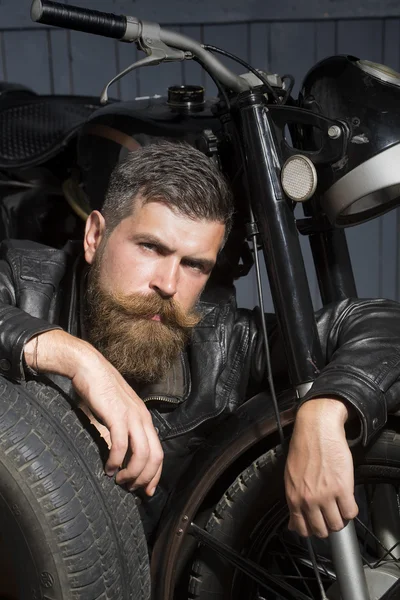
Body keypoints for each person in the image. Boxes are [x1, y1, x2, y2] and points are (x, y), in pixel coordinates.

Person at [0, 140, 399, 540]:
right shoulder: (27, 283)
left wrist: (327, 409)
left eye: (194, 265)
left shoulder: (223, 344)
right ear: (94, 236)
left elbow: (380, 323)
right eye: (151, 247)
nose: (168, 284)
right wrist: (79, 360)